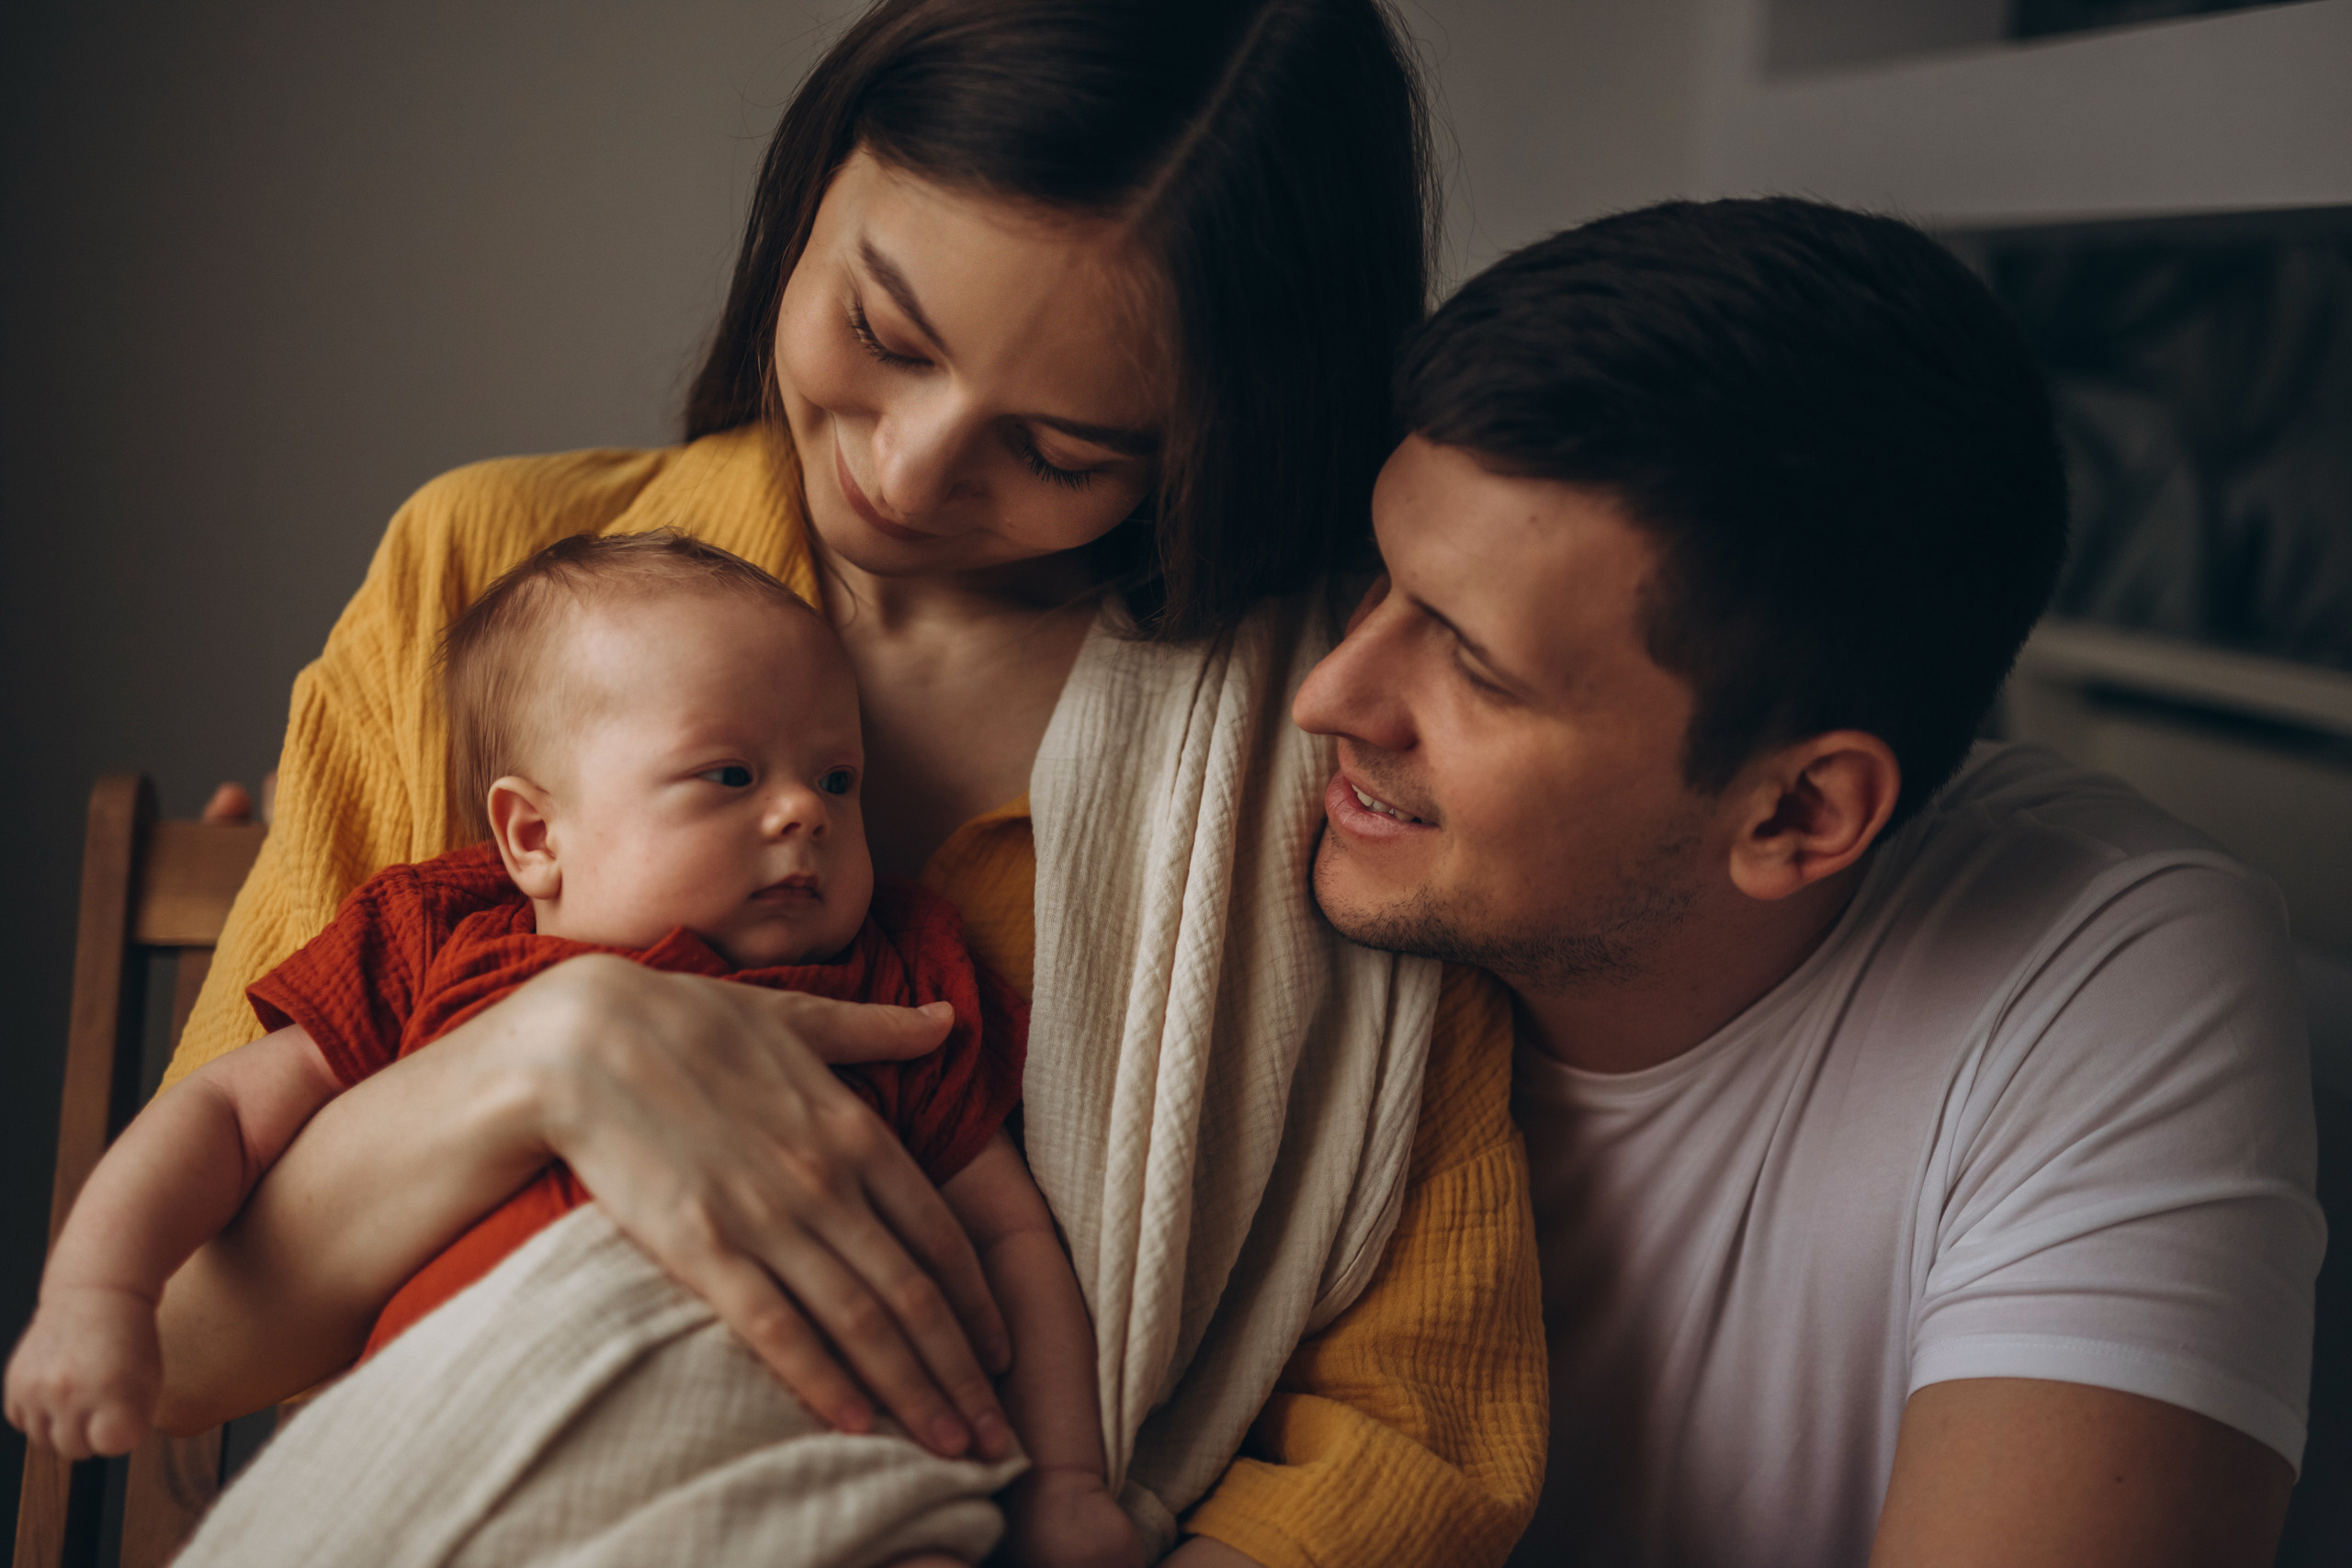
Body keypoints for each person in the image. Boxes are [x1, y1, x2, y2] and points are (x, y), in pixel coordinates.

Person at [129, 4, 1545, 1565]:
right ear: (814, 185)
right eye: (884, 335)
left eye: (1066, 447)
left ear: (1221, 435)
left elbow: (1415, 1432)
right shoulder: (482, 577)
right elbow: (186, 1336)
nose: (913, 468)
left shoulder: (1341, 729)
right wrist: (541, 1054)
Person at [1292, 197, 2327, 1566]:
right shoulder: (1265, 816)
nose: (1329, 693)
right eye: (1381, 580)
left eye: (1475, 669)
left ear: (1797, 810)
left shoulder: (2097, 961)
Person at [7, 531, 1138, 1564]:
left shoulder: (893, 976)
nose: (806, 813)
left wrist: (1065, 1480)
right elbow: (220, 1117)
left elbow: (1003, 1231)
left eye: (835, 779)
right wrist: (99, 1288)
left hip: (802, 1455)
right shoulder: (433, 941)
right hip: (467, 1429)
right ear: (535, 835)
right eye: (731, 775)